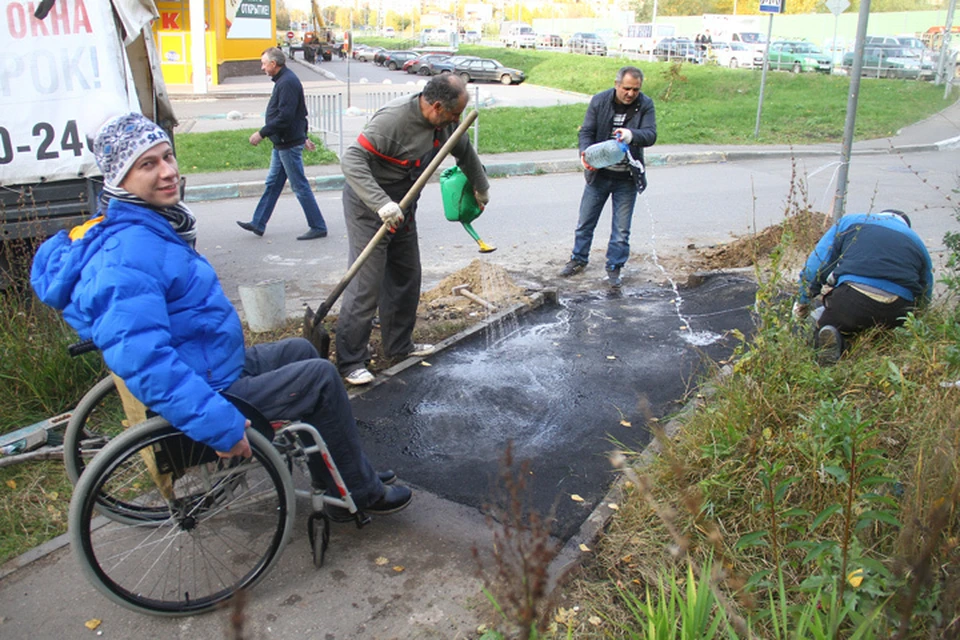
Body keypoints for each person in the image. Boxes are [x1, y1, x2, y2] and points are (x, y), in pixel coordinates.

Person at [31, 112, 410, 518]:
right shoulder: (129, 254)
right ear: (118, 178)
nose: (167, 172)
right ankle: (358, 490)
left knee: (301, 350)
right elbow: (144, 360)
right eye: (147, 164)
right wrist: (218, 426)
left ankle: (341, 474)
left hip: (210, 364)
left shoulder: (151, 227)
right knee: (320, 379)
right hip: (207, 388)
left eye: (167, 157)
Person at [336, 74, 490, 386]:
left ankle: (399, 345)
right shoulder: (391, 122)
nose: (457, 121)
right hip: (370, 204)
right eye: (454, 114)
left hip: (404, 205)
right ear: (436, 107)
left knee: (407, 274)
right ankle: (350, 360)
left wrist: (481, 188)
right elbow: (351, 159)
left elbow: (465, 153)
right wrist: (381, 204)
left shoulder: (445, 124)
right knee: (367, 282)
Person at [793, 210, 933, 365]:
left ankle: (833, 342)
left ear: (880, 214)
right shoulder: (917, 242)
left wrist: (803, 301)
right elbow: (926, 291)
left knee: (819, 318)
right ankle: (864, 347)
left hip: (851, 301)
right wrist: (916, 323)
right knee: (878, 330)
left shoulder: (851, 222)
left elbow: (815, 267)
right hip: (898, 311)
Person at [559, 66, 656, 288]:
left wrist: (631, 135)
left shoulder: (645, 104)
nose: (631, 94)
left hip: (627, 179)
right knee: (585, 222)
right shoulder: (600, 101)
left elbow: (651, 134)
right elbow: (586, 132)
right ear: (617, 84)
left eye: (635, 89)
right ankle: (578, 259)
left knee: (621, 230)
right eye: (626, 88)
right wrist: (585, 155)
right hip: (599, 176)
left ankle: (614, 267)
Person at [237, 47, 328, 241]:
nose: (262, 68)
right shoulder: (284, 80)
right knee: (273, 184)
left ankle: (318, 226)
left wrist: (262, 133)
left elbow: (286, 117)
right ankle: (258, 222)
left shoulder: (287, 82)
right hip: (283, 143)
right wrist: (303, 136)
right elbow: (299, 113)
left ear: (273, 64)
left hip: (287, 143)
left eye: (264, 63)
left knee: (300, 186)